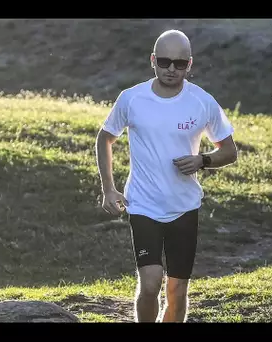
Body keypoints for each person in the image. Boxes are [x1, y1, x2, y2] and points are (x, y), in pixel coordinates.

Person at [95, 29, 238, 323]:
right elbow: (104, 139)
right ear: (152, 61)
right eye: (164, 61)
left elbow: (229, 151)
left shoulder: (202, 102)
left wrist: (202, 160)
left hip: (184, 206)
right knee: (150, 283)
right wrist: (108, 189)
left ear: (190, 64)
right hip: (143, 205)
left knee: (177, 289)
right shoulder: (132, 99)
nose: (171, 69)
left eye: (180, 63)